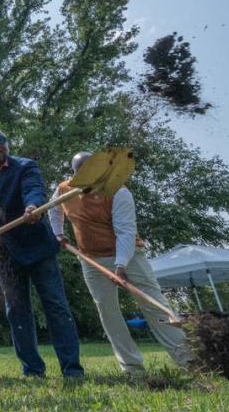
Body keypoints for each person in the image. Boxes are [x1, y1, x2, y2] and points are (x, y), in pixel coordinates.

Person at [49, 151, 190, 376]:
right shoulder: (65, 188)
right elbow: (54, 208)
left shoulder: (118, 192)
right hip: (91, 258)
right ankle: (132, 368)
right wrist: (58, 234)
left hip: (129, 255)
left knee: (153, 304)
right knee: (107, 311)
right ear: (74, 175)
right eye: (79, 176)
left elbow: (125, 232)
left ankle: (189, 360)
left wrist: (120, 266)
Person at [0, 129, 84, 378]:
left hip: (37, 246)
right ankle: (32, 370)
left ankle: (72, 369)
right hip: (3, 251)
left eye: (1, 141)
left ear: (8, 146)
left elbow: (34, 190)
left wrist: (33, 206)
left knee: (56, 305)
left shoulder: (25, 166)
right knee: (16, 310)